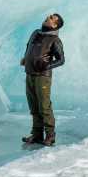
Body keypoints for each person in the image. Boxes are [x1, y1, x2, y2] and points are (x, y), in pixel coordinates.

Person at [20, 13, 65, 146]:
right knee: (33, 106)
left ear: (55, 25)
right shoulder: (36, 33)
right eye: (50, 16)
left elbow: (61, 60)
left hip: (42, 77)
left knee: (44, 106)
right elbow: (28, 46)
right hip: (30, 73)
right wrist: (25, 58)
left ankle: (50, 135)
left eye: (52, 18)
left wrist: (47, 65)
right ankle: (37, 135)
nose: (49, 17)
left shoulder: (55, 40)